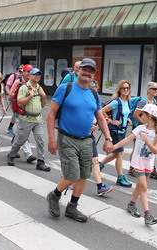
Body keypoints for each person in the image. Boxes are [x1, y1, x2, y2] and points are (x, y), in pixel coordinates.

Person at [46, 58, 113, 222]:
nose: (87, 73)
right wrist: (51, 139)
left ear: (94, 74)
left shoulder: (93, 94)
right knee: (72, 175)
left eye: (90, 71)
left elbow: (101, 118)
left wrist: (108, 138)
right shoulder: (65, 88)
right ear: (78, 71)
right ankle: (54, 196)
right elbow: (51, 114)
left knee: (84, 175)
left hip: (86, 140)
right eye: (84, 69)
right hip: (67, 138)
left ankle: (72, 207)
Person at [110, 104, 157, 226]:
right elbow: (127, 140)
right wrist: (113, 147)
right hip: (138, 162)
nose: (140, 116)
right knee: (144, 187)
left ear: (149, 116)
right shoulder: (140, 128)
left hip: (148, 163)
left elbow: (156, 151)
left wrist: (146, 141)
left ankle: (131, 205)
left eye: (142, 114)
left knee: (140, 186)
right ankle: (147, 215)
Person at [7, 68, 50, 171]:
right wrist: (30, 96)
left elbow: (43, 105)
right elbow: (20, 103)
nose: (37, 77)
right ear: (30, 76)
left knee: (41, 141)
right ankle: (11, 155)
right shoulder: (24, 88)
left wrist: (43, 96)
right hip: (26, 119)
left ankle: (40, 162)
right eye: (35, 75)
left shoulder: (39, 87)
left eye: (39, 75)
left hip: (37, 119)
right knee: (21, 140)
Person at [99, 80, 132, 188]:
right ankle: (120, 177)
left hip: (122, 131)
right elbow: (102, 111)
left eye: (127, 88)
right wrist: (111, 121)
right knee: (120, 154)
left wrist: (128, 120)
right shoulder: (116, 102)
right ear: (119, 89)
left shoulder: (128, 101)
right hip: (115, 131)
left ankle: (99, 164)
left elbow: (125, 113)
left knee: (116, 153)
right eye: (124, 88)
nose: (126, 90)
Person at [129, 81, 157, 179]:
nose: (156, 91)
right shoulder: (143, 101)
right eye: (153, 89)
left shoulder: (155, 102)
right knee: (136, 148)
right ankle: (132, 168)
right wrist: (144, 124)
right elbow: (136, 114)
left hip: (151, 129)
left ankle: (152, 168)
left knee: (152, 147)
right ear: (148, 90)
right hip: (140, 127)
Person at [8, 64, 36, 163]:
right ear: (23, 72)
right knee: (24, 132)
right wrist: (12, 96)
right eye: (28, 71)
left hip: (30, 111)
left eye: (31, 71)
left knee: (20, 132)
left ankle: (13, 150)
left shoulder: (33, 82)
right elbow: (10, 95)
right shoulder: (17, 82)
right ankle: (28, 155)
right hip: (19, 110)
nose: (29, 73)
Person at [90, 80, 113, 196]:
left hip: (89, 137)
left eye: (96, 91)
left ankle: (100, 187)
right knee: (75, 162)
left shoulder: (95, 100)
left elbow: (99, 117)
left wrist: (102, 123)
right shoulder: (83, 100)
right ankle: (66, 179)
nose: (95, 94)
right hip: (76, 137)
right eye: (93, 91)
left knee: (95, 161)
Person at [5, 64, 24, 135]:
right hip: (14, 99)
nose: (21, 71)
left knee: (18, 114)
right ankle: (13, 129)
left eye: (23, 69)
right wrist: (10, 94)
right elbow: (7, 87)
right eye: (20, 69)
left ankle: (13, 128)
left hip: (22, 98)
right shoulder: (14, 76)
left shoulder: (26, 78)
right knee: (16, 114)